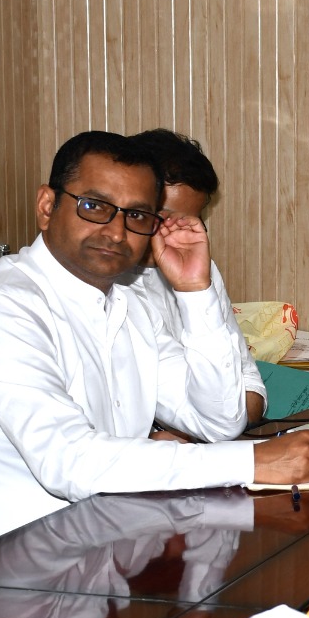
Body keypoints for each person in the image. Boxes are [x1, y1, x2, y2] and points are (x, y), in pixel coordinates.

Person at [0, 130, 309, 561]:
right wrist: (253, 461)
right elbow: (69, 463)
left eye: (137, 215)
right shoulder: (3, 309)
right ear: (47, 206)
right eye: (94, 206)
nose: (117, 232)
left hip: (99, 558)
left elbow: (218, 420)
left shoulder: (128, 303)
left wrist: (195, 291)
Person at [127, 128, 266, 428]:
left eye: (190, 220)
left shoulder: (197, 268)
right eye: (163, 219)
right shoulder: (111, 286)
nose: (174, 234)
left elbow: (248, 384)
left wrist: (209, 428)